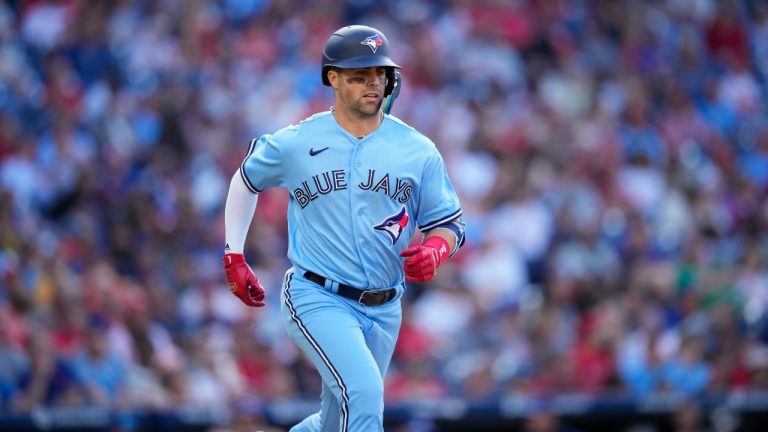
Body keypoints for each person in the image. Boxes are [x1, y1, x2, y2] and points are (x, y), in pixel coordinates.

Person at [222, 24, 465, 432]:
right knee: (365, 394)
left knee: (334, 422)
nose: (373, 83)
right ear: (333, 79)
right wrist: (234, 253)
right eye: (359, 75)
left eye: (380, 74)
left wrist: (435, 251)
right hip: (317, 293)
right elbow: (245, 180)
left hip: (385, 306)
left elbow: (448, 224)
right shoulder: (298, 141)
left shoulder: (417, 149)